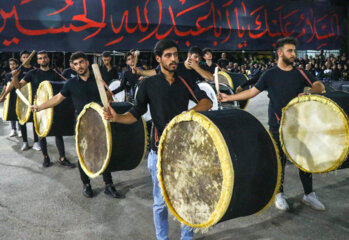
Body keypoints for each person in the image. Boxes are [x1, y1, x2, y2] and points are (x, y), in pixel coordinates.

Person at [103, 39, 212, 240]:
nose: (173, 59)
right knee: (161, 202)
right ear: (158, 58)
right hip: (159, 151)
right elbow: (135, 113)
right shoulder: (148, 85)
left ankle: (186, 237)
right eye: (168, 55)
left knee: (186, 199)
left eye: (176, 55)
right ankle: (162, 238)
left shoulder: (184, 78)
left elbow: (206, 101)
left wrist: (186, 115)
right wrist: (117, 117)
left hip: (185, 150)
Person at [220, 37, 326, 211]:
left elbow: (319, 86)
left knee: (304, 161)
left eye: (294, 50)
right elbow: (252, 93)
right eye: (290, 51)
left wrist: (310, 92)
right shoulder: (269, 74)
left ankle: (309, 194)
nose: (294, 54)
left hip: (300, 125)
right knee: (280, 161)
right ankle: (279, 194)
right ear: (280, 53)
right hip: (277, 125)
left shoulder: (300, 72)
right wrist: (229, 98)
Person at [31, 51, 123, 199]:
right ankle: (86, 185)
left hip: (101, 124)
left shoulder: (99, 80)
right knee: (83, 155)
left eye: (81, 62)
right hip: (81, 125)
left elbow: (109, 98)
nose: (79, 66)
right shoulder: (71, 84)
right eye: (75, 64)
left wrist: (109, 102)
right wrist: (40, 107)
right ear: (72, 67)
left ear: (87, 63)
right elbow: (57, 98)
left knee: (105, 152)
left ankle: (108, 185)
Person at [11, 51, 75, 168]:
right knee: (41, 134)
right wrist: (15, 76)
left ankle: (62, 157)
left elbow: (65, 86)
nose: (43, 60)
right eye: (40, 58)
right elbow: (18, 86)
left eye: (45, 58)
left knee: (58, 132)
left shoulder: (55, 73)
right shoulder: (32, 73)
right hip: (39, 107)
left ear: (48, 59)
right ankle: (46, 157)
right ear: (38, 61)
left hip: (53, 106)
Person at [133, 46, 214, 83]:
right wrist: (141, 72)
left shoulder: (198, 69)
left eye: (199, 58)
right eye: (195, 57)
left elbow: (211, 78)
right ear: (189, 55)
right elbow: (156, 71)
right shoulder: (175, 66)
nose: (197, 60)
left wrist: (197, 68)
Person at [0, 58, 22, 138]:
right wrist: (2, 96)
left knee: (19, 113)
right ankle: (13, 129)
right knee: (12, 112)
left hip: (19, 95)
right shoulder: (8, 75)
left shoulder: (20, 73)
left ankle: (20, 130)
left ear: (17, 65)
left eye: (13, 64)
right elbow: (5, 87)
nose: (12, 66)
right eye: (10, 64)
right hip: (10, 96)